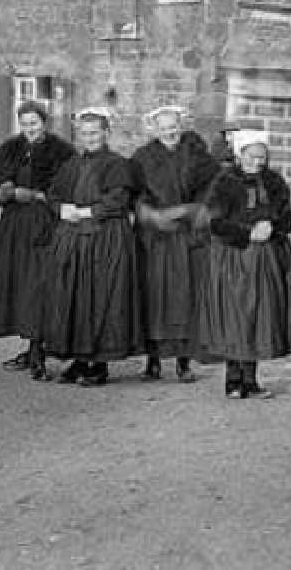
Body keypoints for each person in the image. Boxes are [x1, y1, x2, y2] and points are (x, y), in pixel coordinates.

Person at [198, 131, 291, 399]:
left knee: (259, 316)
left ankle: (250, 379)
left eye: (262, 156)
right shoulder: (224, 182)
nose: (258, 161)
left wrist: (274, 226)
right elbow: (214, 221)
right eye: (252, 156)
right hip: (235, 257)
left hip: (268, 258)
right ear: (240, 154)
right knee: (236, 315)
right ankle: (233, 379)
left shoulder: (274, 182)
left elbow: (289, 215)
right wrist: (246, 233)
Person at [44, 108, 141, 387]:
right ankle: (79, 359)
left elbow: (119, 199)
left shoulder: (117, 164)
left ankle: (98, 364)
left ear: (106, 133)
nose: (90, 138)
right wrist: (61, 208)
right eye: (84, 133)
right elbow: (54, 194)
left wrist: (86, 212)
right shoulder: (72, 164)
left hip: (105, 239)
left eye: (95, 132)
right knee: (75, 297)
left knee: (100, 297)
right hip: (74, 239)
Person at [0, 101, 74, 379]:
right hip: (15, 227)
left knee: (40, 284)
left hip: (43, 225)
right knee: (21, 284)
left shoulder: (60, 152)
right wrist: (3, 191)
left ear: (44, 122)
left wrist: (36, 195)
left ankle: (39, 349)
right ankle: (30, 346)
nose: (29, 129)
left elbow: (66, 188)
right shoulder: (10, 149)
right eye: (24, 124)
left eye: (34, 124)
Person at [130, 105, 218, 382]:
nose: (169, 132)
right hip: (154, 238)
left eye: (174, 126)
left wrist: (190, 211)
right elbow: (134, 193)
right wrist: (151, 214)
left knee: (184, 297)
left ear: (181, 126)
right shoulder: (142, 157)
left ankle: (183, 361)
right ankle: (152, 361)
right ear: (154, 129)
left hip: (186, 235)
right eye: (164, 127)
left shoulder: (197, 155)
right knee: (153, 297)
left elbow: (213, 188)